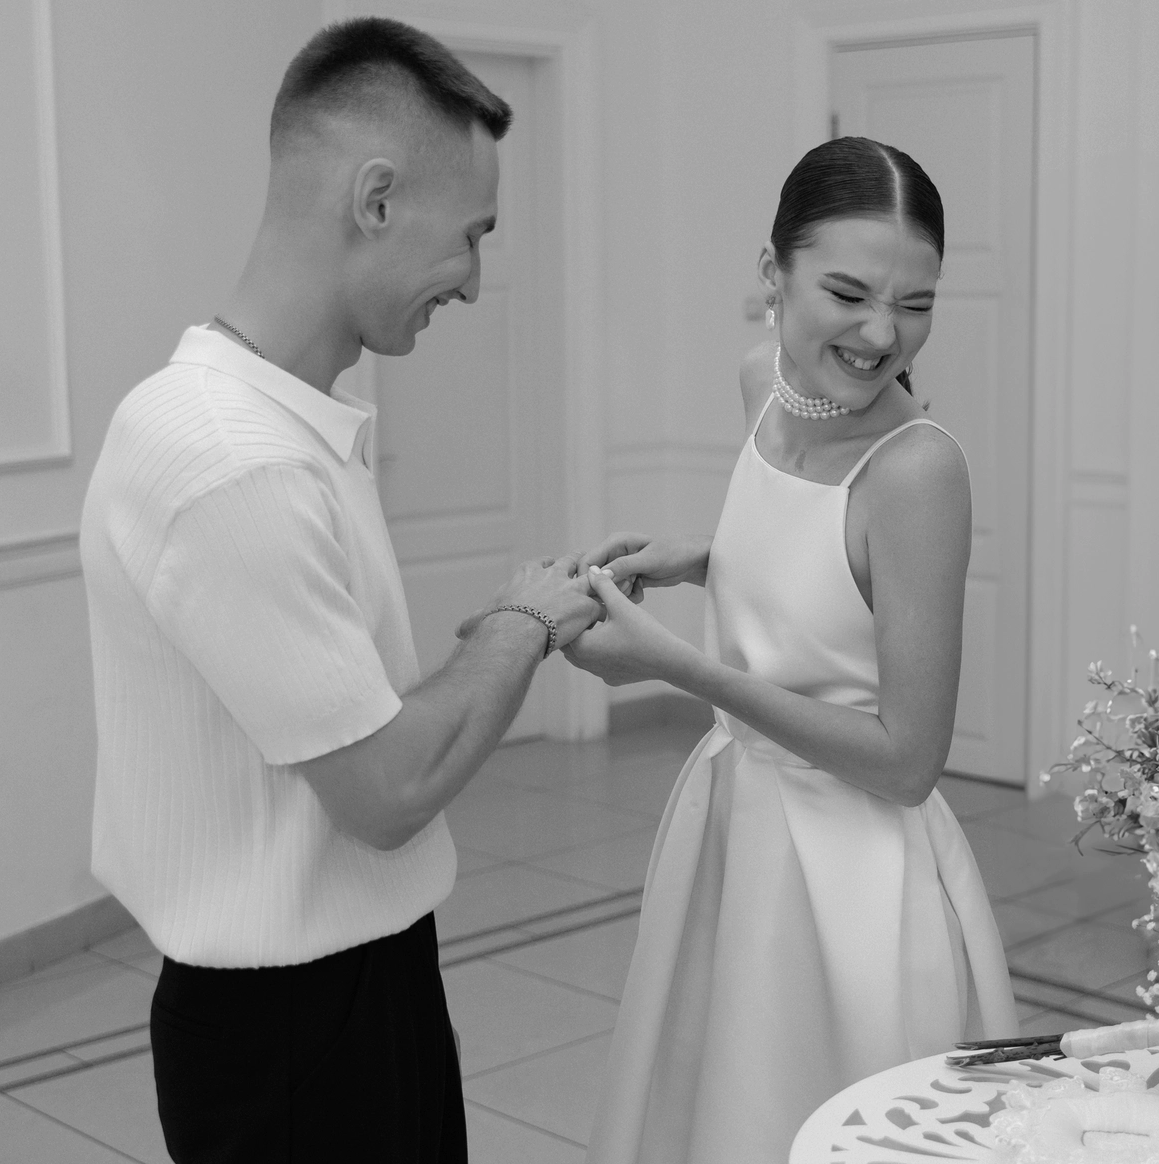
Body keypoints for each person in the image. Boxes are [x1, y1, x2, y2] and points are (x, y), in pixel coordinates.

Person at [79, 17, 600, 1163]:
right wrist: (522, 622)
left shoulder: (276, 424)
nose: (474, 283)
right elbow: (387, 787)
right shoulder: (233, 460)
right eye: (471, 237)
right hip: (290, 1030)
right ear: (374, 199)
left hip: (360, 978)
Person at [566, 137, 1018, 1163]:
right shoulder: (759, 383)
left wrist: (680, 667)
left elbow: (906, 762)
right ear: (772, 271)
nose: (881, 334)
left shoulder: (918, 472)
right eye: (848, 293)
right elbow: (822, 568)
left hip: (850, 868)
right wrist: (705, 559)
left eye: (915, 304)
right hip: (736, 823)